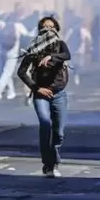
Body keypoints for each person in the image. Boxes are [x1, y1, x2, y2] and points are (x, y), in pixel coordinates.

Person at [16, 16, 71, 177]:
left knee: (59, 131)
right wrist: (36, 88)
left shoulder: (60, 45)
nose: (48, 30)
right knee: (45, 125)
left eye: (51, 27)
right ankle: (48, 164)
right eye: (44, 27)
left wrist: (52, 57)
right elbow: (21, 72)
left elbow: (67, 55)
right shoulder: (33, 48)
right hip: (41, 94)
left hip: (59, 94)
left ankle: (54, 160)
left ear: (56, 29)